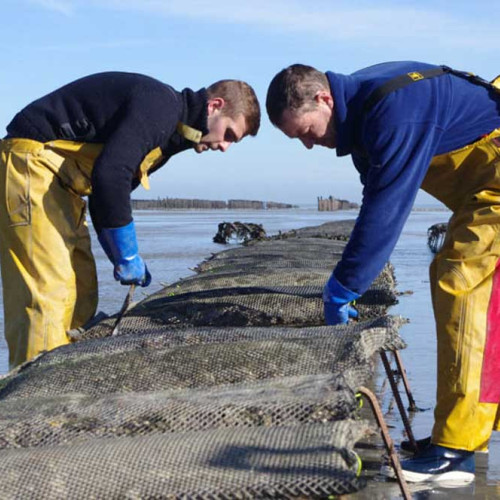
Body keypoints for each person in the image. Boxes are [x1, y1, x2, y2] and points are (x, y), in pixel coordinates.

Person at [266, 61, 500, 484]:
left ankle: (458, 450)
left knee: (461, 283)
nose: (307, 145)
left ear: (323, 99)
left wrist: (344, 286)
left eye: (305, 132)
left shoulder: (393, 111)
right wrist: (349, 279)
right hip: (482, 191)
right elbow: (375, 195)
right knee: (468, 290)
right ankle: (465, 434)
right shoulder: (363, 114)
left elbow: (386, 209)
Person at [0, 72, 260, 368]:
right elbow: (111, 175)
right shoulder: (162, 106)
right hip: (30, 165)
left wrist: (117, 256)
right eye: (229, 134)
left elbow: (103, 196)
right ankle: (35, 400)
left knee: (83, 287)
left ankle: (66, 370)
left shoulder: (169, 138)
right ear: (214, 105)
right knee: (47, 293)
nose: (224, 146)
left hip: (62, 185)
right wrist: (127, 252)